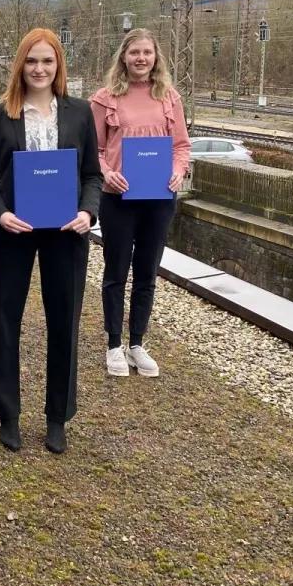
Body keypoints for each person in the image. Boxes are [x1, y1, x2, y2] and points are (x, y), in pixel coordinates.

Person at [0, 28, 103, 454]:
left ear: (58, 66)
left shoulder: (80, 113)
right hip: (14, 230)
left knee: (64, 321)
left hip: (67, 233)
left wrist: (88, 212)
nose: (39, 69)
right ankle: (7, 412)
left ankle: (57, 416)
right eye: (32, 61)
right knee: (5, 319)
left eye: (47, 61)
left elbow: (92, 175)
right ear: (21, 65)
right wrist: (0, 214)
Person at [89, 28, 191, 378]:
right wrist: (106, 173)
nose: (141, 58)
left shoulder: (170, 98)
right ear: (124, 57)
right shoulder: (104, 99)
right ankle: (113, 344)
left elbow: (181, 146)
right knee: (116, 272)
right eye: (135, 53)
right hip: (118, 199)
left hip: (159, 198)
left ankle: (137, 343)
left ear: (155, 57)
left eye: (147, 52)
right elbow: (94, 151)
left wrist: (178, 172)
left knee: (147, 272)